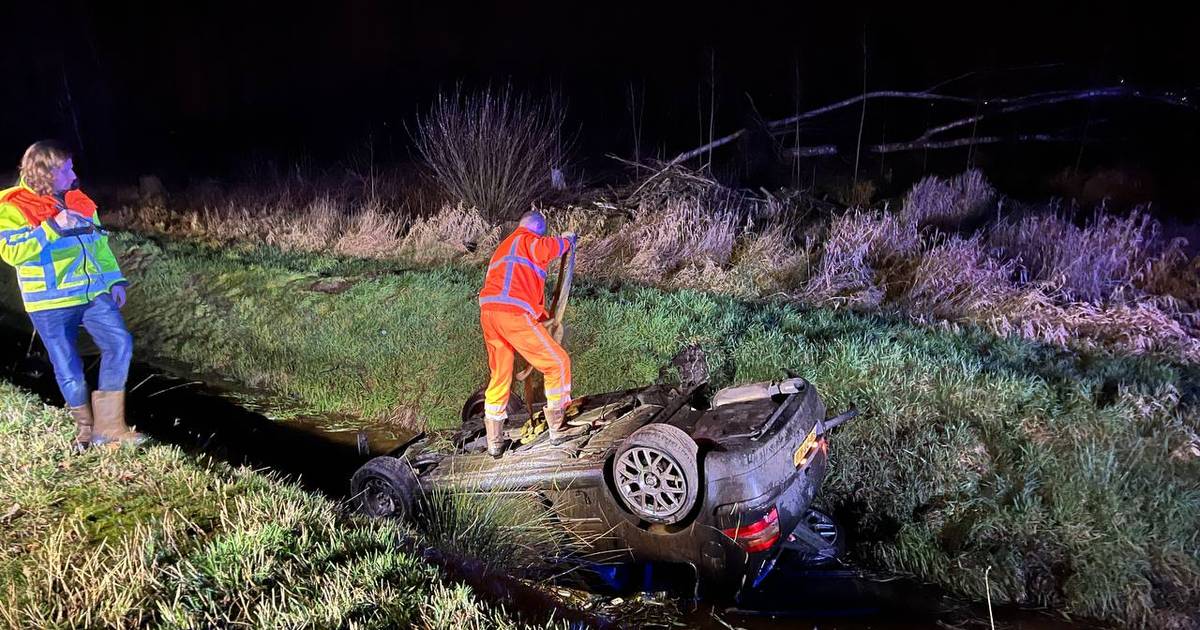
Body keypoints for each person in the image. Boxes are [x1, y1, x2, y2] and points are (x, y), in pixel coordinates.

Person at [0, 140, 142, 451]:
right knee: (69, 367)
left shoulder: (80, 200)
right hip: (49, 302)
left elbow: (99, 246)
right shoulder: (12, 206)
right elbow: (12, 252)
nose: (73, 172)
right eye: (66, 169)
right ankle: (86, 431)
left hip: (91, 293)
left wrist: (114, 280)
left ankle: (110, 428)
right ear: (46, 173)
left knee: (120, 343)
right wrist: (52, 227)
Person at [478, 210, 577, 457]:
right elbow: (551, 248)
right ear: (537, 229)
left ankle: (494, 442)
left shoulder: (503, 248)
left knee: (500, 375)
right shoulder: (530, 241)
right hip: (512, 316)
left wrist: (543, 318)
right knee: (557, 363)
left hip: (490, 314)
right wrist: (569, 241)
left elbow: (514, 287)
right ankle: (557, 428)